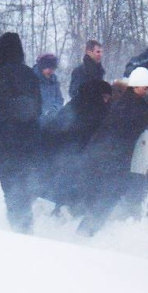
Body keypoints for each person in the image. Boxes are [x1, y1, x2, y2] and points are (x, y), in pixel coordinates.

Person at [76, 67, 148, 236]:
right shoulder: (128, 105)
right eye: (145, 88)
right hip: (107, 157)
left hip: (105, 155)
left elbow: (143, 111)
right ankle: (85, 234)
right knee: (108, 194)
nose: (147, 92)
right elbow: (144, 118)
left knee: (108, 194)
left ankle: (88, 231)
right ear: (136, 87)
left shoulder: (128, 101)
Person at [0, 32, 42, 234]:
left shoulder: (1, 75)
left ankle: (19, 234)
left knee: (10, 191)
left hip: (8, 143)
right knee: (24, 192)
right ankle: (27, 230)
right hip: (29, 142)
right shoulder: (31, 74)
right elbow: (38, 108)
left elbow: (0, 110)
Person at [38, 79, 113, 207]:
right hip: (74, 150)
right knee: (71, 178)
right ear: (98, 95)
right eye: (105, 97)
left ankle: (60, 205)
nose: (107, 101)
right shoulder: (96, 108)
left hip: (63, 149)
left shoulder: (77, 102)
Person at [33, 53, 64, 130]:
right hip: (36, 123)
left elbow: (59, 99)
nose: (52, 71)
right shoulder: (32, 80)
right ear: (42, 67)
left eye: (53, 69)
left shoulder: (54, 81)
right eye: (49, 69)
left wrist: (54, 109)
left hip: (52, 122)